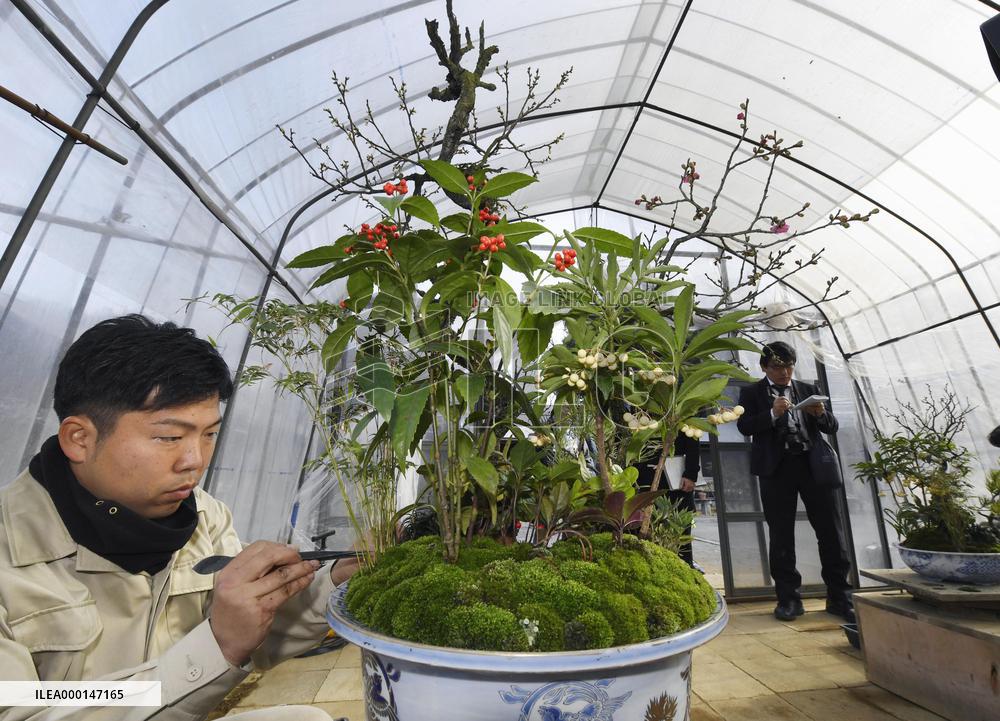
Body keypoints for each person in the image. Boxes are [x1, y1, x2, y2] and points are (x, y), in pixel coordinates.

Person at [0, 315, 357, 721]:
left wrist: (332, 583)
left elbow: (250, 637)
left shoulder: (206, 517)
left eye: (209, 435)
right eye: (169, 437)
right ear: (79, 438)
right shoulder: (11, 553)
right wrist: (215, 648)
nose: (195, 461)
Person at [736, 341, 853, 622]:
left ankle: (840, 596)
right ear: (764, 367)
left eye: (789, 366)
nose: (785, 372)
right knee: (781, 536)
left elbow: (831, 427)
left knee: (831, 532)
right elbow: (744, 426)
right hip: (776, 469)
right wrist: (773, 413)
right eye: (778, 367)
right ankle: (788, 599)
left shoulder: (808, 389)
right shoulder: (751, 392)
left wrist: (821, 414)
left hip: (812, 465)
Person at [635, 433, 701, 567]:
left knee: (679, 530)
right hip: (644, 477)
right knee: (646, 528)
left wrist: (691, 473)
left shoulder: (683, 418)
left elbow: (693, 437)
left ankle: (684, 570)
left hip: (676, 479)